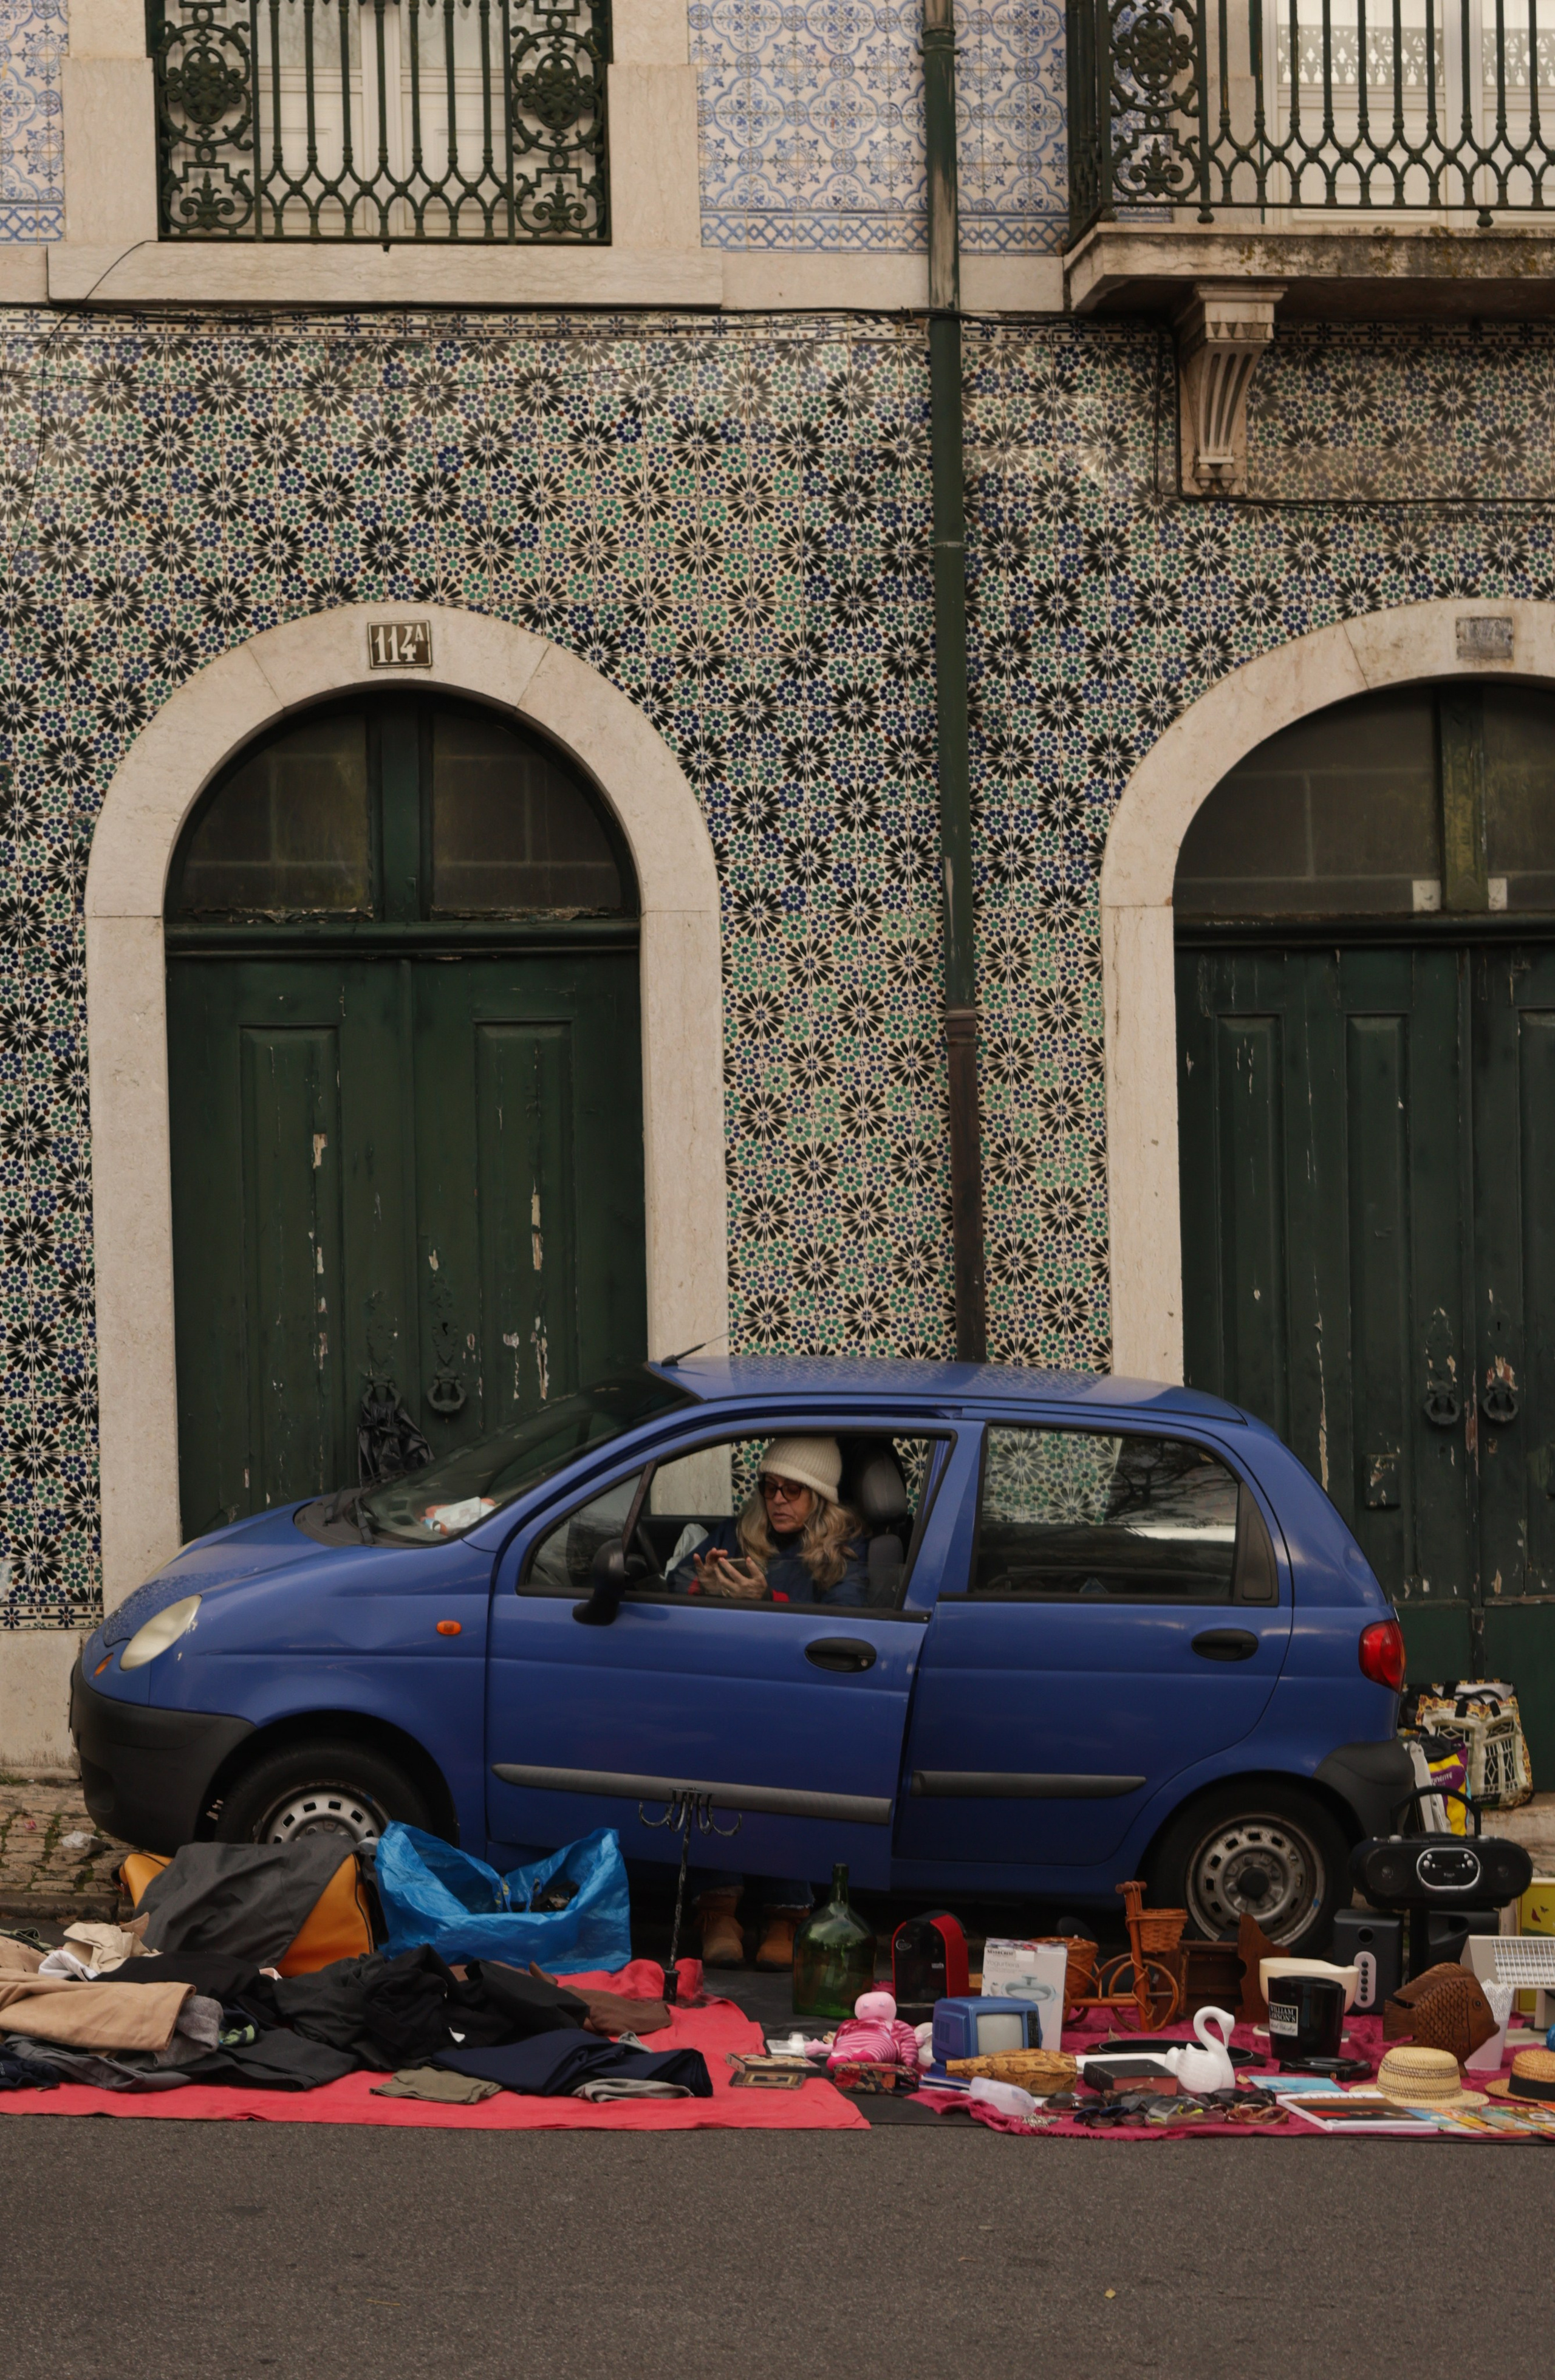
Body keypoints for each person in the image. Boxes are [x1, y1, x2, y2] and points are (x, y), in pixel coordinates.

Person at [672, 1435, 867, 1968]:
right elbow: (680, 1577)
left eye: (793, 1491)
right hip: (731, 1692)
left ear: (820, 1499)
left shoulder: (846, 1549)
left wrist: (768, 1602)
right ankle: (718, 1909)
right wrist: (703, 1585)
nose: (777, 1500)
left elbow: (846, 1622)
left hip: (802, 1698)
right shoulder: (737, 1533)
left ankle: (786, 1915)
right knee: (714, 1759)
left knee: (788, 1768)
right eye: (769, 1487)